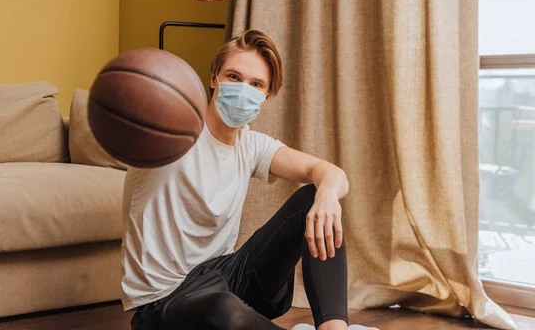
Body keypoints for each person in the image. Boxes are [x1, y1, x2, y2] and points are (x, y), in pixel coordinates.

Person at [122, 30, 377, 330]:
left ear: (266, 96)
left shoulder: (251, 145)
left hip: (223, 276)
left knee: (314, 197)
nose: (244, 89)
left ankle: (334, 329)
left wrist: (327, 195)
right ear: (214, 78)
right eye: (233, 77)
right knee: (222, 309)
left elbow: (331, 173)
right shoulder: (174, 132)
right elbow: (139, 118)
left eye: (256, 84)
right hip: (165, 303)